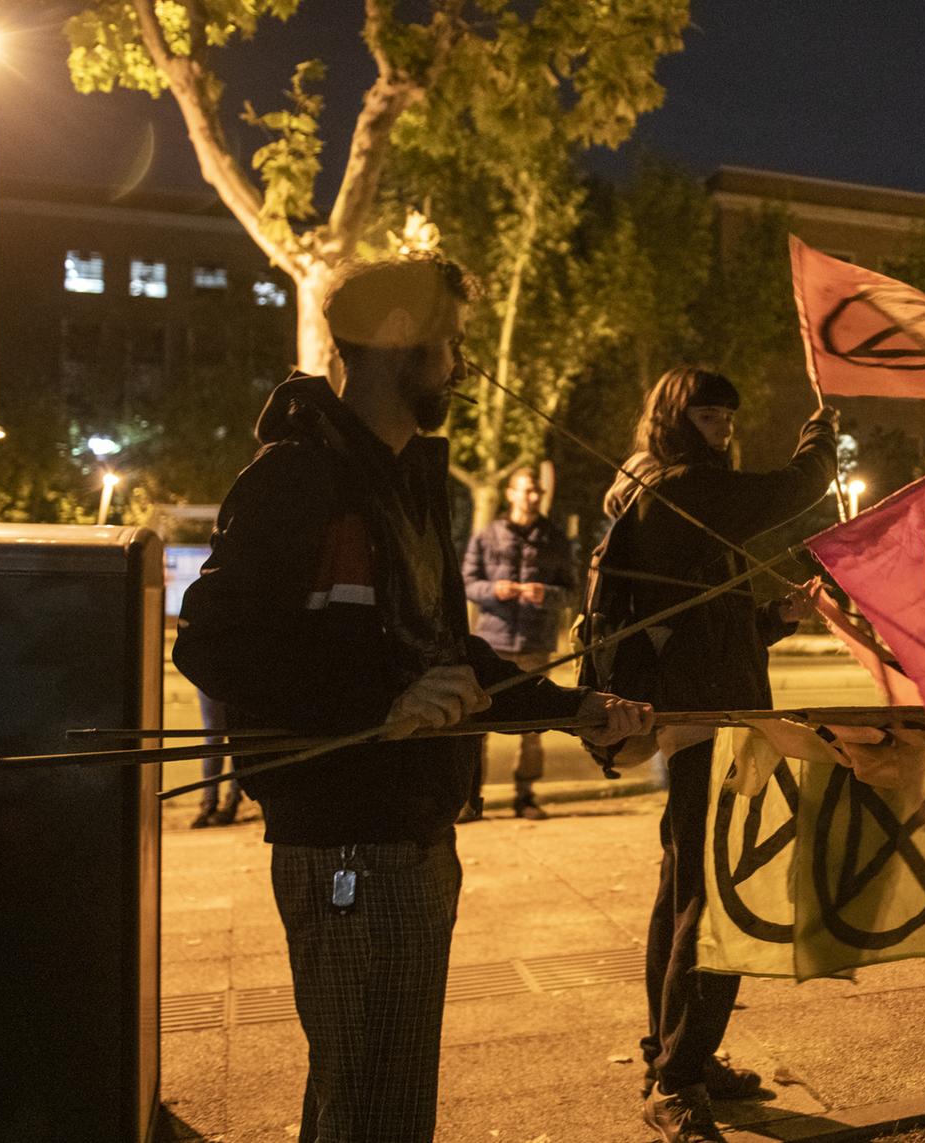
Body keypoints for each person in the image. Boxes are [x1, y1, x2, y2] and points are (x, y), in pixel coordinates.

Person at [172, 255, 650, 1143]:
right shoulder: (297, 477)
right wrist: (376, 708)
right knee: (377, 1116)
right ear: (398, 339)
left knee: (363, 1105)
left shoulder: (404, 481)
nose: (463, 363)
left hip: (415, 839)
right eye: (451, 341)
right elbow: (211, 640)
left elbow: (447, 661)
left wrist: (573, 706)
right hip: (349, 846)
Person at [595, 366, 837, 1143]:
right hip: (706, 720)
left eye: (729, 418)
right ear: (675, 415)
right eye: (709, 416)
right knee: (719, 901)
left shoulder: (660, 492)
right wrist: (821, 439)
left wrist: (773, 615)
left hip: (704, 709)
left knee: (684, 892)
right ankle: (678, 1079)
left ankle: (670, 1054)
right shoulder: (681, 488)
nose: (723, 430)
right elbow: (789, 492)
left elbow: (704, 621)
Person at [462, 465, 579, 820]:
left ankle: (525, 797)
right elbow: (467, 582)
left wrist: (546, 594)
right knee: (477, 726)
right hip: (491, 641)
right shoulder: (488, 536)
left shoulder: (555, 539)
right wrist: (493, 591)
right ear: (510, 493)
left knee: (533, 728)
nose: (532, 497)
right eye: (526, 490)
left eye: (536, 492)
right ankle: (470, 800)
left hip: (534, 643)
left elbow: (572, 592)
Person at [189, 690, 244, 828]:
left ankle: (221, 801)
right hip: (233, 677)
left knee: (219, 737)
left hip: (214, 677)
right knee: (226, 737)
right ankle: (221, 801)